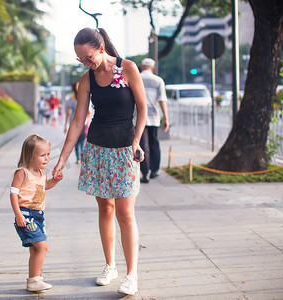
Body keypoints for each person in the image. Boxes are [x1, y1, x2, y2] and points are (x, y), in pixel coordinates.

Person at [52, 27, 147, 295]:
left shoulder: (127, 68)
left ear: (101, 48)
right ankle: (110, 266)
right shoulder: (87, 80)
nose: (85, 63)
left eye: (88, 57)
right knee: (105, 209)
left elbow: (143, 109)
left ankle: (132, 274)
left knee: (126, 213)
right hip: (96, 150)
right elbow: (77, 121)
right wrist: (62, 160)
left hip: (125, 149)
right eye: (80, 59)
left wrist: (137, 140)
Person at [10, 134, 63, 293]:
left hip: (38, 216)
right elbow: (13, 194)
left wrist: (55, 180)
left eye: (48, 154)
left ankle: (33, 279)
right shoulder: (22, 173)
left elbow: (44, 186)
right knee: (42, 247)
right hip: (26, 215)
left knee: (35, 249)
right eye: (42, 155)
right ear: (29, 156)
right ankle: (34, 280)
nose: (46, 159)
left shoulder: (42, 173)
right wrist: (18, 214)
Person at [139, 58, 169, 183]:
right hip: (153, 116)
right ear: (153, 68)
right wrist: (166, 117)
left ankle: (144, 172)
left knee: (140, 144)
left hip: (138, 117)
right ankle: (155, 170)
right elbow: (162, 100)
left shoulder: (137, 77)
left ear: (141, 67)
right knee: (153, 142)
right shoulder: (158, 80)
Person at [64, 82, 86, 164]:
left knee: (75, 141)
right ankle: (82, 153)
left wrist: (65, 125)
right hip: (83, 121)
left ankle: (78, 158)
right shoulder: (83, 97)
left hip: (74, 122)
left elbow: (68, 113)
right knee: (82, 141)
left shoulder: (71, 99)